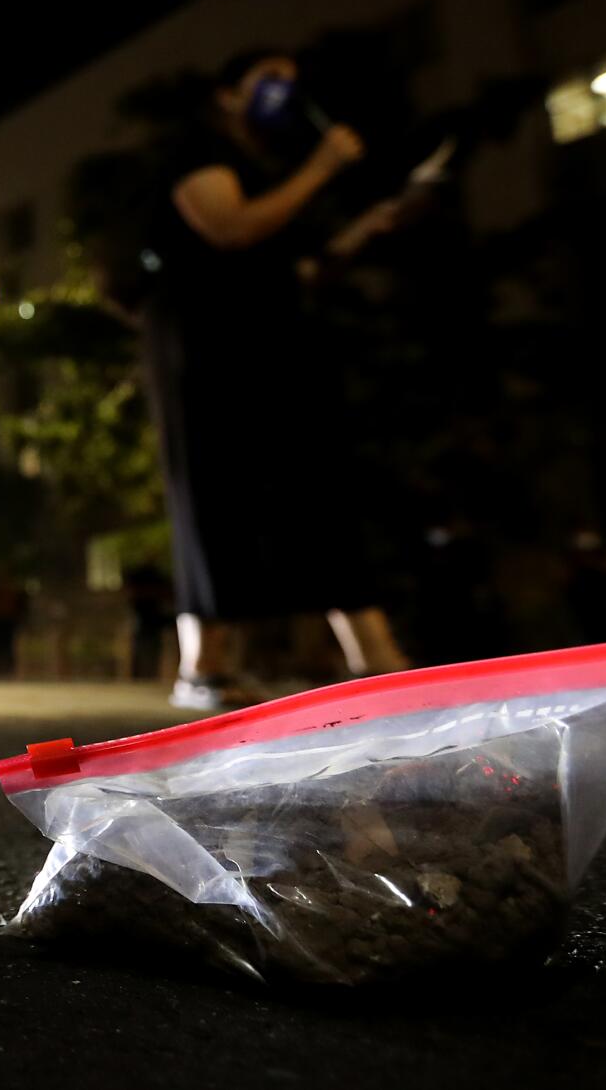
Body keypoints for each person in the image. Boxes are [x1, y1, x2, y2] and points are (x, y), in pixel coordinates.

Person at [140, 49, 415, 709]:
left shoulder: (269, 162)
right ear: (229, 91)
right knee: (213, 484)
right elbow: (228, 226)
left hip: (275, 337)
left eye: (293, 80)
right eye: (270, 77)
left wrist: (364, 231)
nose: (285, 91)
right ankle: (202, 663)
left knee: (313, 477)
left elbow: (285, 261)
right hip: (207, 343)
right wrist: (321, 169)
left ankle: (370, 652)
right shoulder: (197, 145)